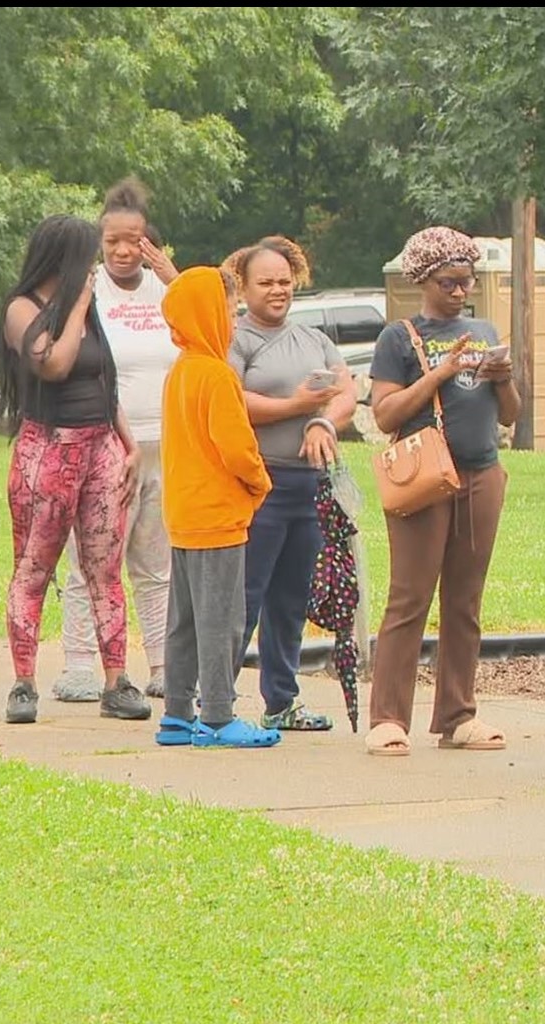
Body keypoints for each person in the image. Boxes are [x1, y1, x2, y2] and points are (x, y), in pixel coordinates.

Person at [364, 226, 520, 756]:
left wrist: (500, 376)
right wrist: (441, 372)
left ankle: (458, 714)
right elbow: (385, 413)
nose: (460, 292)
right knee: (409, 597)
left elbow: (513, 414)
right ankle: (388, 718)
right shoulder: (399, 337)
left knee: (464, 599)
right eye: (449, 282)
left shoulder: (482, 326)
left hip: (481, 473)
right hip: (424, 478)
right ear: (424, 280)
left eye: (466, 282)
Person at [0, 215, 153, 725]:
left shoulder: (84, 313)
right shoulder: (23, 310)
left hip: (100, 447)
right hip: (48, 450)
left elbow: (102, 381)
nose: (94, 268)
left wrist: (128, 445)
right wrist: (81, 305)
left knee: (105, 568)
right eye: (86, 257)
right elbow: (56, 365)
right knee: (34, 567)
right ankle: (24, 682)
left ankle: (116, 681)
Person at [225, 237, 357, 732]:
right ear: (244, 286)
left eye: (285, 281)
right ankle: (216, 701)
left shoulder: (314, 339)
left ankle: (282, 700)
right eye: (266, 282)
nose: (277, 291)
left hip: (311, 488)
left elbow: (345, 390)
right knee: (246, 593)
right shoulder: (237, 339)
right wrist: (297, 408)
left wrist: (324, 422)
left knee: (292, 597)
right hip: (262, 484)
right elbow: (233, 401)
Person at [56, 180, 180, 704]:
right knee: (93, 559)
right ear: (99, 244)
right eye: (113, 243)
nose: (125, 251)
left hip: (166, 446)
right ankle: (81, 664)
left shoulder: (163, 290)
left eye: (135, 240)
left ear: (149, 240)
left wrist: (173, 276)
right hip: (105, 448)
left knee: (158, 564)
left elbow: (214, 329)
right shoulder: (89, 291)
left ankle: (162, 663)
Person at [155, 266, 277, 749]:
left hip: (183, 517)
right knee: (222, 619)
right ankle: (220, 715)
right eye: (227, 309)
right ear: (209, 315)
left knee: (182, 621)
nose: (232, 318)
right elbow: (236, 448)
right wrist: (260, 481)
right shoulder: (217, 376)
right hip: (218, 519)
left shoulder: (179, 372)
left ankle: (178, 714)